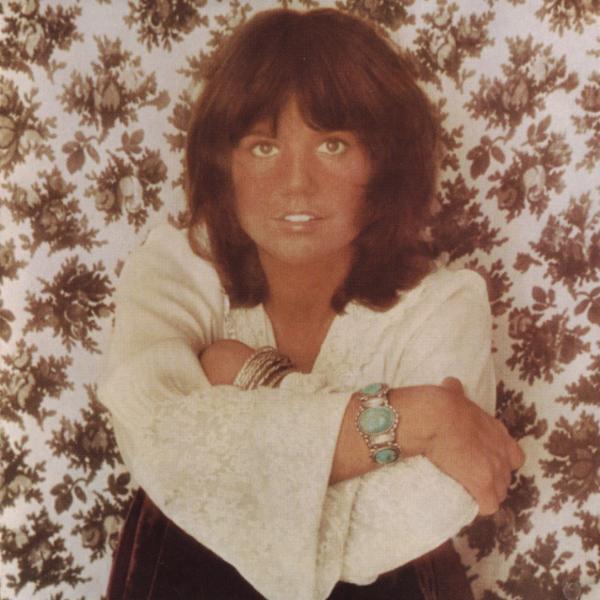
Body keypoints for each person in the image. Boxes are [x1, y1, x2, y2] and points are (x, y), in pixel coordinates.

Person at [98, 8, 525, 600]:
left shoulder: (446, 304)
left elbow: (419, 512)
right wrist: (415, 419)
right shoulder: (174, 267)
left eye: (332, 144)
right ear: (223, 166)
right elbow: (158, 434)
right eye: (263, 147)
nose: (296, 183)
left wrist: (253, 379)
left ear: (384, 164)